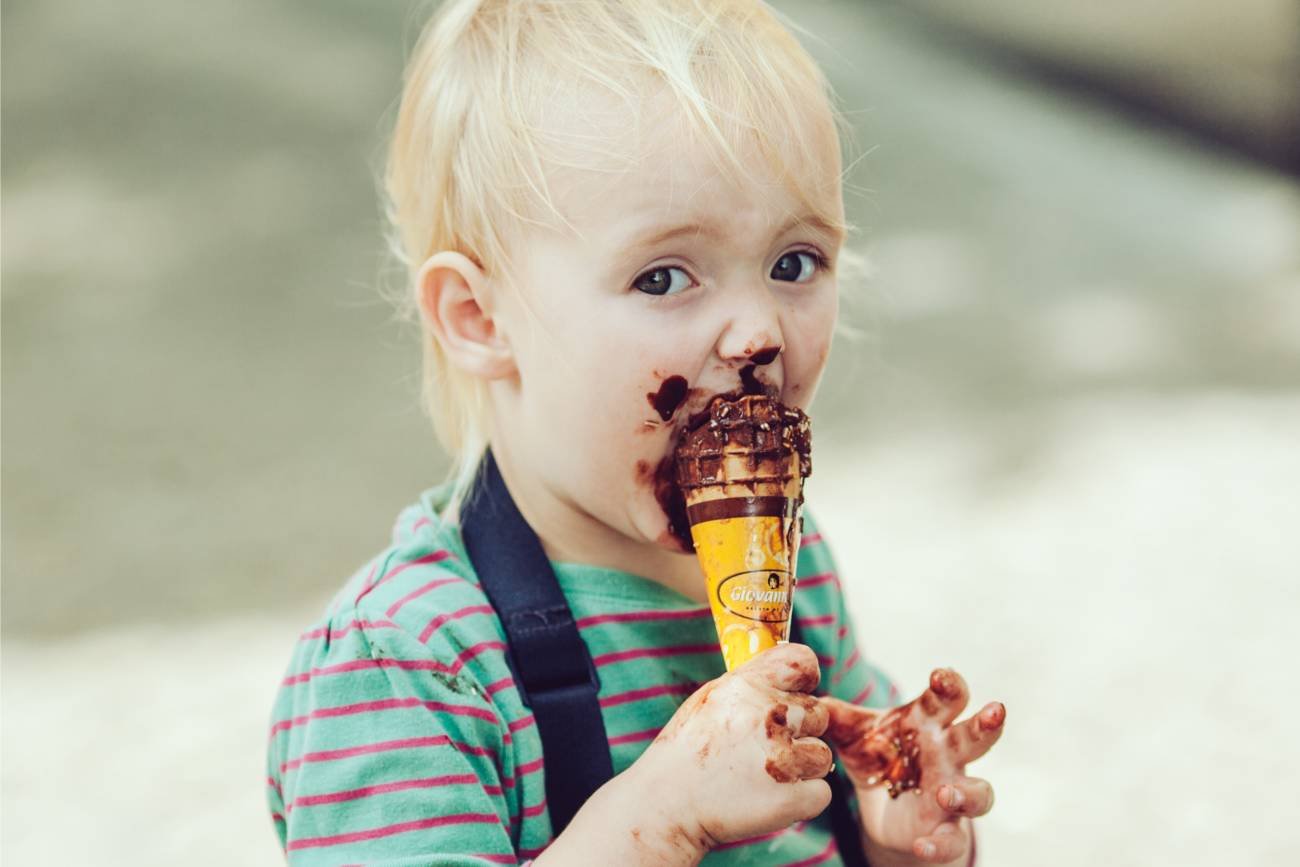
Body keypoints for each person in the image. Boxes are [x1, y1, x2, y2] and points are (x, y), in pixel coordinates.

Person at [265, 1, 1006, 863]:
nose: (758, 332)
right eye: (663, 276)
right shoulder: (414, 665)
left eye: (793, 263)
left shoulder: (797, 581)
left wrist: (898, 839)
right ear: (479, 317)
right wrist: (663, 817)